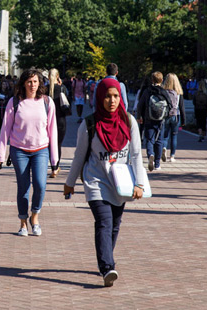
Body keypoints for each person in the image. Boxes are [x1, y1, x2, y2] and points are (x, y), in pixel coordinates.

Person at [63, 78, 144, 287]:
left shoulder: (129, 121)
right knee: (104, 222)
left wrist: (140, 184)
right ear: (100, 97)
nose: (112, 100)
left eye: (116, 96)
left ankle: (106, 256)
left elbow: (136, 155)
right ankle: (107, 267)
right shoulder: (90, 123)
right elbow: (79, 156)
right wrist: (70, 182)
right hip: (96, 180)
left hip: (121, 183)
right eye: (107, 96)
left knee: (115, 225)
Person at [0, 68, 58, 237]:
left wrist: (55, 161)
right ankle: (23, 222)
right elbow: (5, 130)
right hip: (19, 150)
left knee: (40, 184)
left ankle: (35, 216)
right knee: (23, 186)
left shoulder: (47, 102)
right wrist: (0, 155)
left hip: (41, 150)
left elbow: (53, 131)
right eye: (29, 82)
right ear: (23, 83)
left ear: (40, 83)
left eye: (35, 81)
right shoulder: (14, 102)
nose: (32, 85)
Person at [137, 71, 172, 171]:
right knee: (159, 141)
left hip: (148, 119)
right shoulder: (163, 91)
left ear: (152, 80)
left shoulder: (147, 91)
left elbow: (140, 104)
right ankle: (157, 164)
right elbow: (170, 105)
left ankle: (150, 155)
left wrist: (139, 116)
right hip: (161, 120)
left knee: (149, 140)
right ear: (161, 80)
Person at [48, 68, 70, 178]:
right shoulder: (62, 88)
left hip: (47, 121)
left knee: (49, 145)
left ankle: (53, 167)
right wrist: (61, 86)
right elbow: (68, 100)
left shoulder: (45, 89)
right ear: (58, 77)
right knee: (58, 144)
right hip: (60, 119)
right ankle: (56, 167)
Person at [161, 73, 185, 162]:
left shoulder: (163, 91)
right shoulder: (179, 92)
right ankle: (172, 156)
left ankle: (163, 148)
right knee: (174, 136)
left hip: (166, 115)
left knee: (165, 136)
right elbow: (182, 107)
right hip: (176, 115)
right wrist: (183, 120)